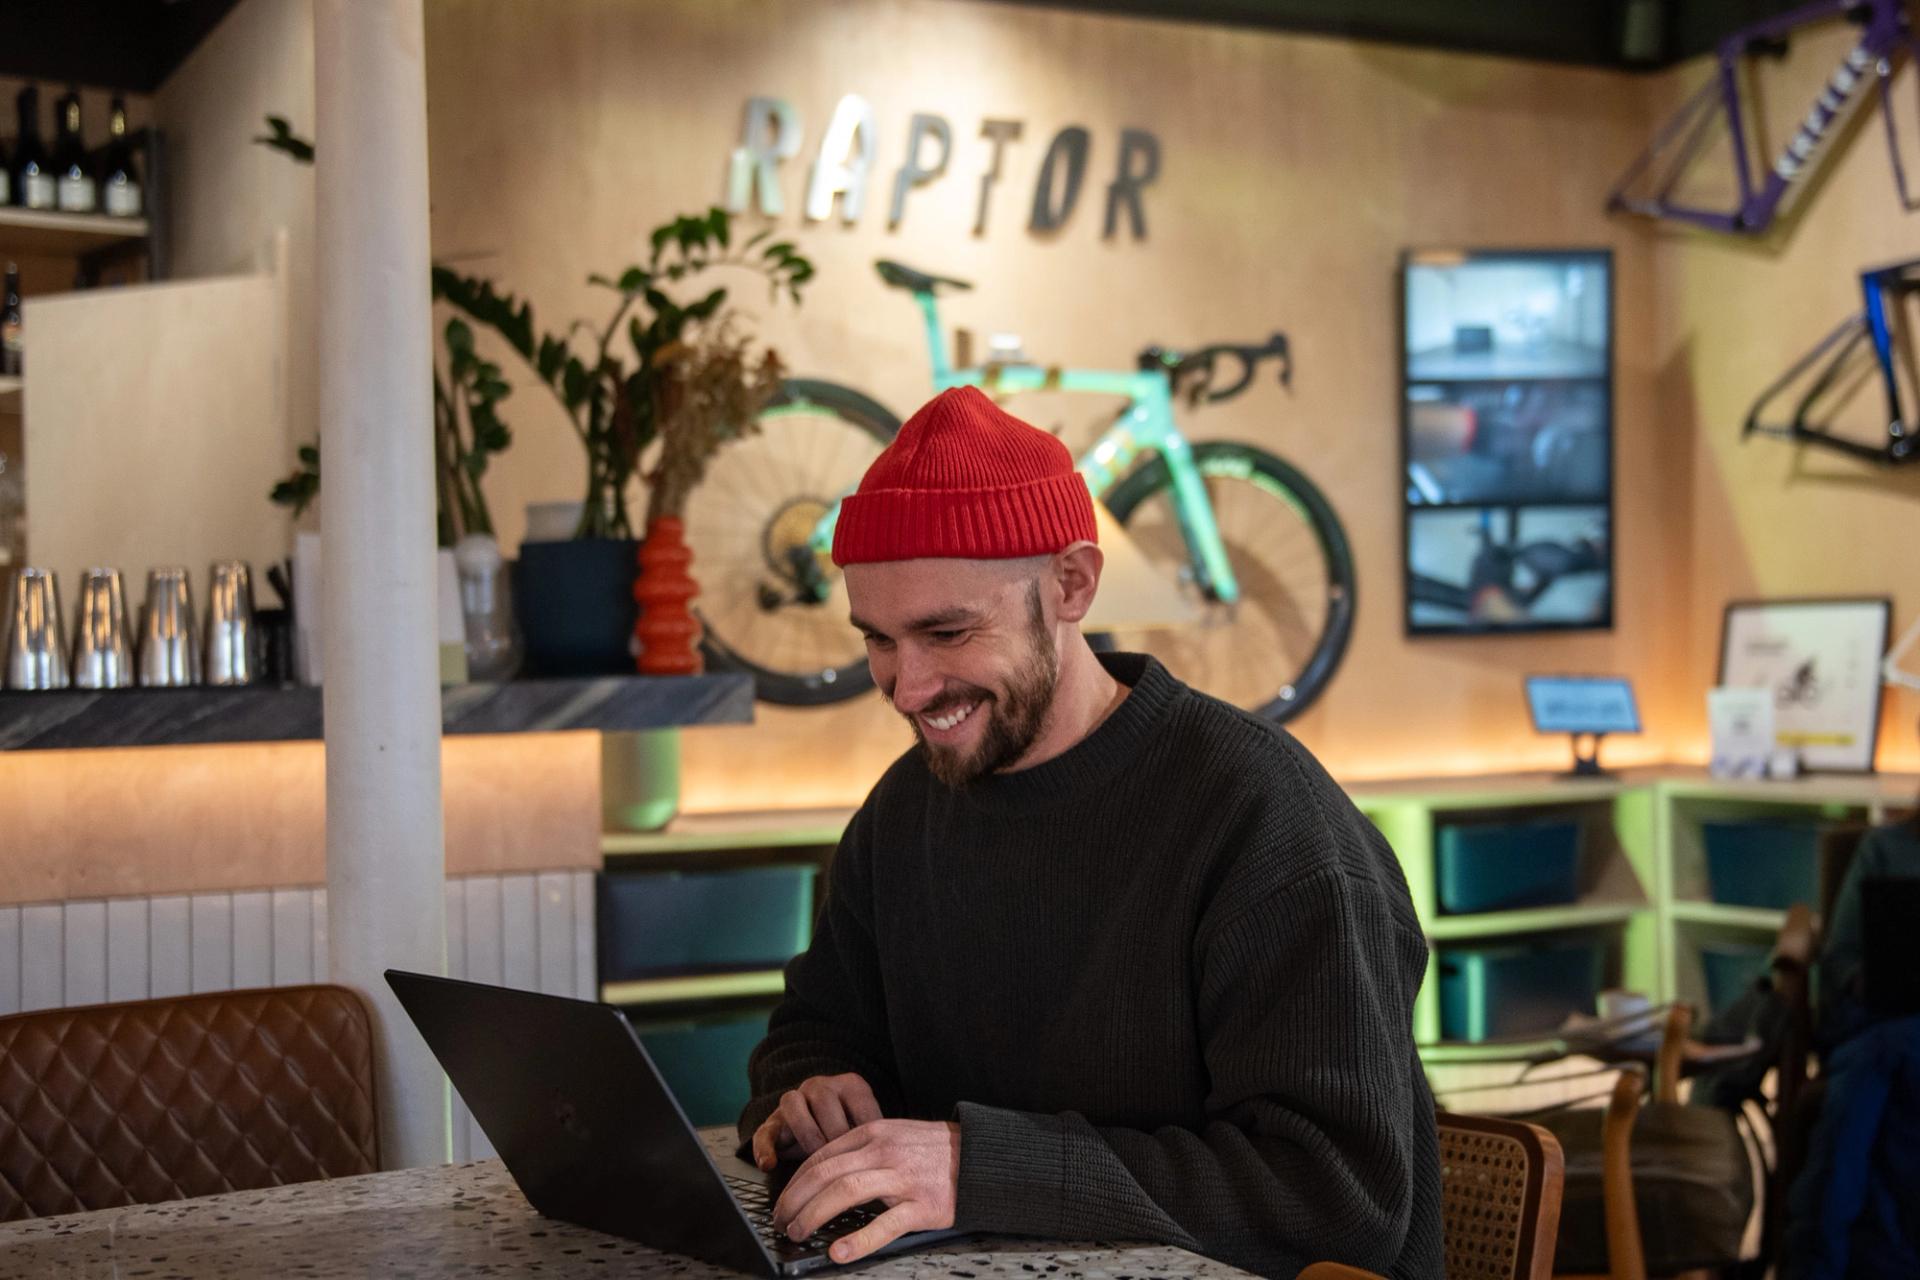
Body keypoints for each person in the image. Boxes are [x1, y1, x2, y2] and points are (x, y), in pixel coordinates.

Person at [736, 386, 1442, 1278]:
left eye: (947, 632)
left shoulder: (1263, 817)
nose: (908, 688)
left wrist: (980, 1166)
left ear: (1072, 584)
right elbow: (812, 1029)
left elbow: (1336, 1199)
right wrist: (804, 1093)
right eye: (878, 639)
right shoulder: (906, 810)